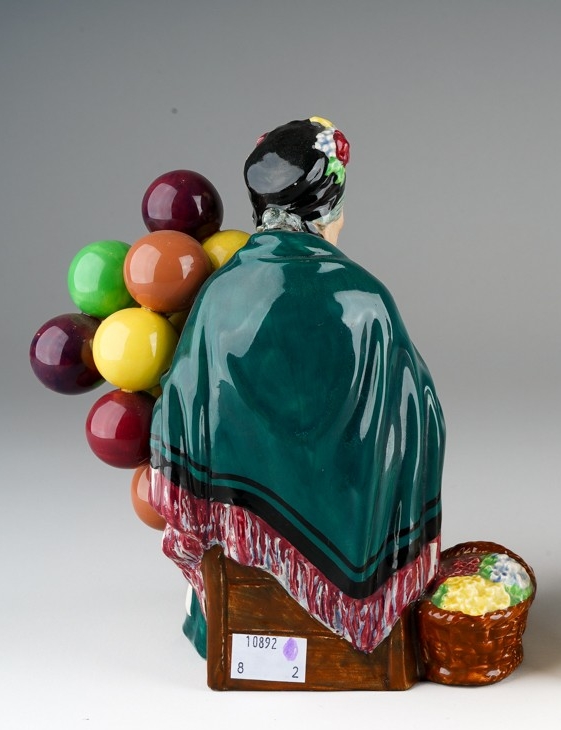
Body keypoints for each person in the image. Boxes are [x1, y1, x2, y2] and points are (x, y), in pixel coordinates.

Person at [149, 118, 445, 655]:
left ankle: (237, 626)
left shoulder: (219, 295)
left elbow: (180, 412)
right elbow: (413, 419)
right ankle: (356, 626)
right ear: (328, 209)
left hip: (236, 537)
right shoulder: (364, 300)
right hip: (351, 523)